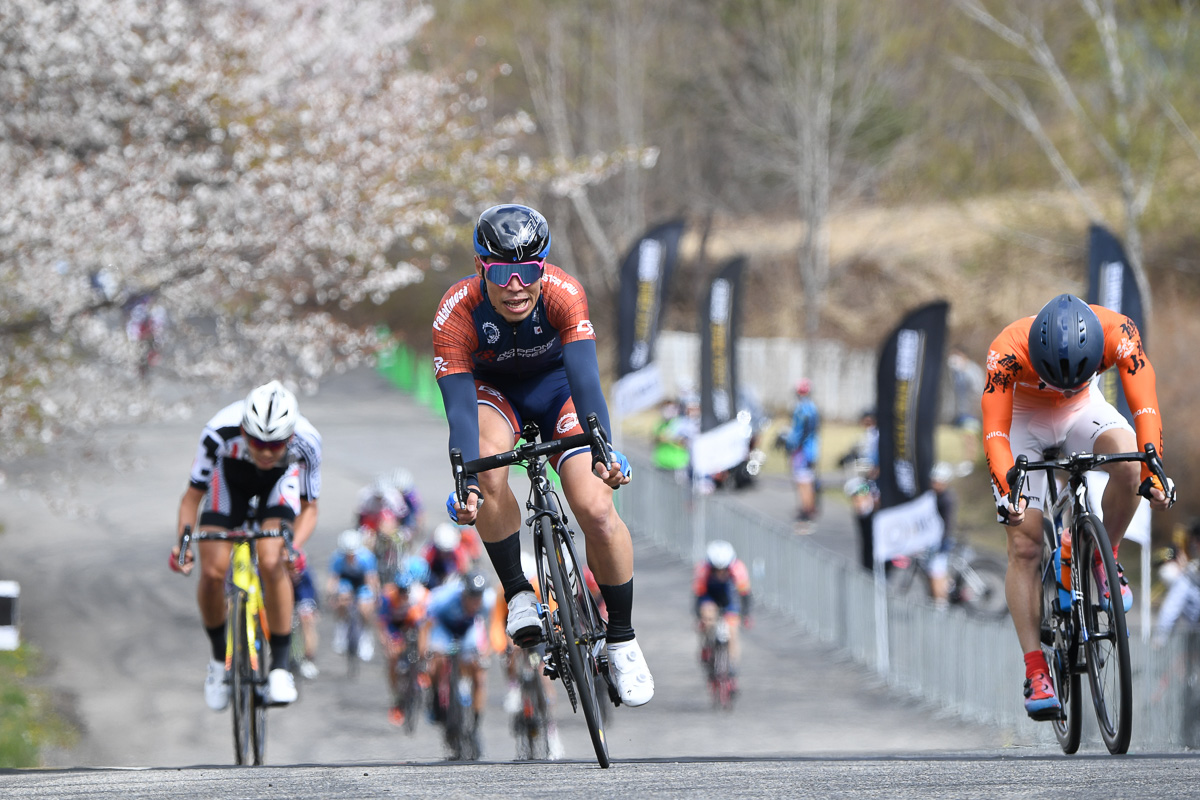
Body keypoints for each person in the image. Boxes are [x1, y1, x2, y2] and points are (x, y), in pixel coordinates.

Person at [431, 203, 654, 707]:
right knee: (487, 471)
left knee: (595, 507)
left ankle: (622, 638)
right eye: (503, 272)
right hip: (492, 396)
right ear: (480, 266)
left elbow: (587, 381)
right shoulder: (456, 313)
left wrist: (604, 449)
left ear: (543, 268)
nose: (516, 286)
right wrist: (466, 482)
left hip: (559, 392)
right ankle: (519, 594)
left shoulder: (563, 293)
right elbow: (461, 415)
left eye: (528, 271)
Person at [983, 293, 1175, 721]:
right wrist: (1006, 487)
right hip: (1023, 422)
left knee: (1128, 464)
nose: (1063, 384)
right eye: (1055, 377)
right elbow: (995, 429)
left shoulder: (1119, 333)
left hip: (1082, 411)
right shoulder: (1007, 350)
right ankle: (1036, 669)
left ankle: (1104, 557)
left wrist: (1153, 472)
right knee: (1026, 546)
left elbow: (1145, 405)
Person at [170, 380, 322, 709]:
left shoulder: (308, 441)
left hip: (278, 486)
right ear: (243, 429)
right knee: (212, 572)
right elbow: (192, 497)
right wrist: (182, 543)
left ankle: (280, 667)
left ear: (291, 437)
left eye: (276, 444)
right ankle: (216, 664)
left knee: (271, 560)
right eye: (257, 442)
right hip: (229, 480)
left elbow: (309, 508)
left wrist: (291, 546)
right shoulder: (218, 432)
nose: (266, 452)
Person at [424, 570, 495, 751]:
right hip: (444, 628)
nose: (475, 601)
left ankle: (475, 726)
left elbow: (490, 629)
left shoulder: (487, 602)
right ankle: (434, 697)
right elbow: (427, 625)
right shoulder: (444, 599)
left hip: (468, 629)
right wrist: (426, 651)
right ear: (463, 593)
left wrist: (485, 652)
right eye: (471, 596)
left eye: (478, 596)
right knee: (436, 661)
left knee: (479, 673)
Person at [693, 540, 752, 684]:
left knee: (732, 630)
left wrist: (745, 615)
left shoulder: (738, 569)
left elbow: (745, 595)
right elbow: (698, 596)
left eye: (723, 569)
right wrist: (699, 618)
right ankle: (706, 644)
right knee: (707, 615)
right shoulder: (702, 570)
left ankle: (732, 663)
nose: (720, 573)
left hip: (728, 597)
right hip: (709, 595)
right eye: (716, 569)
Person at [377, 567, 430, 726]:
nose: (403, 595)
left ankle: (421, 668)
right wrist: (388, 643)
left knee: (422, 640)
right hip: (395, 627)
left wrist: (423, 650)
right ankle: (396, 697)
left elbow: (425, 625)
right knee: (393, 657)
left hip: (413, 624)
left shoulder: (419, 597)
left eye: (405, 591)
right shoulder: (387, 597)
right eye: (400, 591)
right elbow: (383, 625)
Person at [326, 528, 381, 662]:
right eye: (347, 554)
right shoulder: (337, 557)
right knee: (342, 599)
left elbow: (372, 580)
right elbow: (333, 580)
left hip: (362, 582)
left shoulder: (367, 557)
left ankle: (365, 637)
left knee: (364, 606)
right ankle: (341, 628)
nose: (350, 556)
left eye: (353, 554)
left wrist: (375, 597)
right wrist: (331, 596)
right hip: (346, 582)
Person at [779, 378, 821, 527]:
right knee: (806, 479)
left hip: (802, 450)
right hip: (810, 449)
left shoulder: (802, 409)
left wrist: (791, 443)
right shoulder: (812, 407)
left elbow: (800, 432)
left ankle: (807, 509)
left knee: (803, 481)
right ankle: (807, 507)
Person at [926, 462, 959, 611]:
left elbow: (947, 524)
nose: (934, 484)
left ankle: (941, 604)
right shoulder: (935, 495)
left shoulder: (946, 499)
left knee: (937, 572)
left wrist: (942, 542)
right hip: (936, 539)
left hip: (941, 540)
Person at [947, 345, 985, 464]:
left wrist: (977, 408)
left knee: (970, 436)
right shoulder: (955, 372)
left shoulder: (972, 370)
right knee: (964, 436)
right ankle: (967, 460)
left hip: (972, 410)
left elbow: (978, 389)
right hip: (960, 410)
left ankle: (971, 462)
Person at [290, 547, 321, 680]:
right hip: (282, 587)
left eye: (298, 572)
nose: (295, 575)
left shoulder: (306, 575)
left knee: (307, 620)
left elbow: (311, 596)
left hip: (302, 594)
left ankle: (309, 658)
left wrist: (312, 611)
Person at [421, 522, 474, 589]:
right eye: (442, 551)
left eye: (447, 552)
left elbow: (465, 569)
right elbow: (423, 568)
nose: (444, 555)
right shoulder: (430, 553)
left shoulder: (459, 552)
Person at [651, 398, 691, 480]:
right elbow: (655, 439)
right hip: (661, 463)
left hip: (677, 464)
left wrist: (671, 438)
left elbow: (685, 441)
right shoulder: (660, 424)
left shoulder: (681, 424)